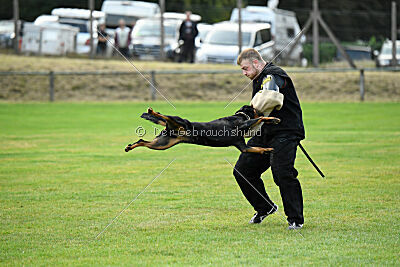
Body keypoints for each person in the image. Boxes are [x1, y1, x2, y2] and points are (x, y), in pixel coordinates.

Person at [234, 48, 305, 230]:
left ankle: (295, 219)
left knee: (282, 172)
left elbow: (270, 95)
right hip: (265, 133)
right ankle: (265, 207)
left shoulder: (273, 75)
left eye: (245, 68)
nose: (244, 73)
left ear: (256, 63)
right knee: (243, 170)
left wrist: (246, 113)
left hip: (286, 131)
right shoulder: (258, 77)